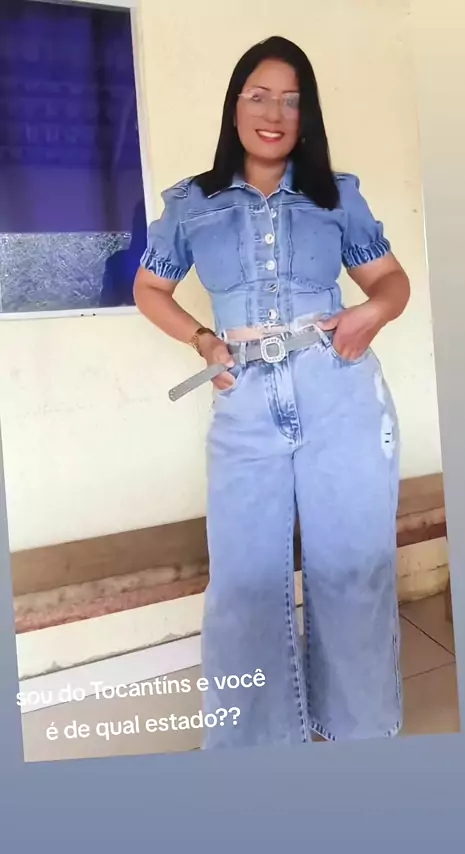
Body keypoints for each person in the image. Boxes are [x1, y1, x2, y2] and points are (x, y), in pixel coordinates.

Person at [134, 36, 410, 749]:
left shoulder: (334, 195)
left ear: (306, 115)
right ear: (234, 107)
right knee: (244, 588)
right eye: (258, 96)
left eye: (291, 100)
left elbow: (391, 282)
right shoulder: (192, 203)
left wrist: (372, 315)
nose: (274, 113)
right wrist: (202, 338)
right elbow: (149, 288)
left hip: (338, 394)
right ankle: (255, 757)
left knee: (352, 575)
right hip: (246, 405)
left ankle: (360, 741)